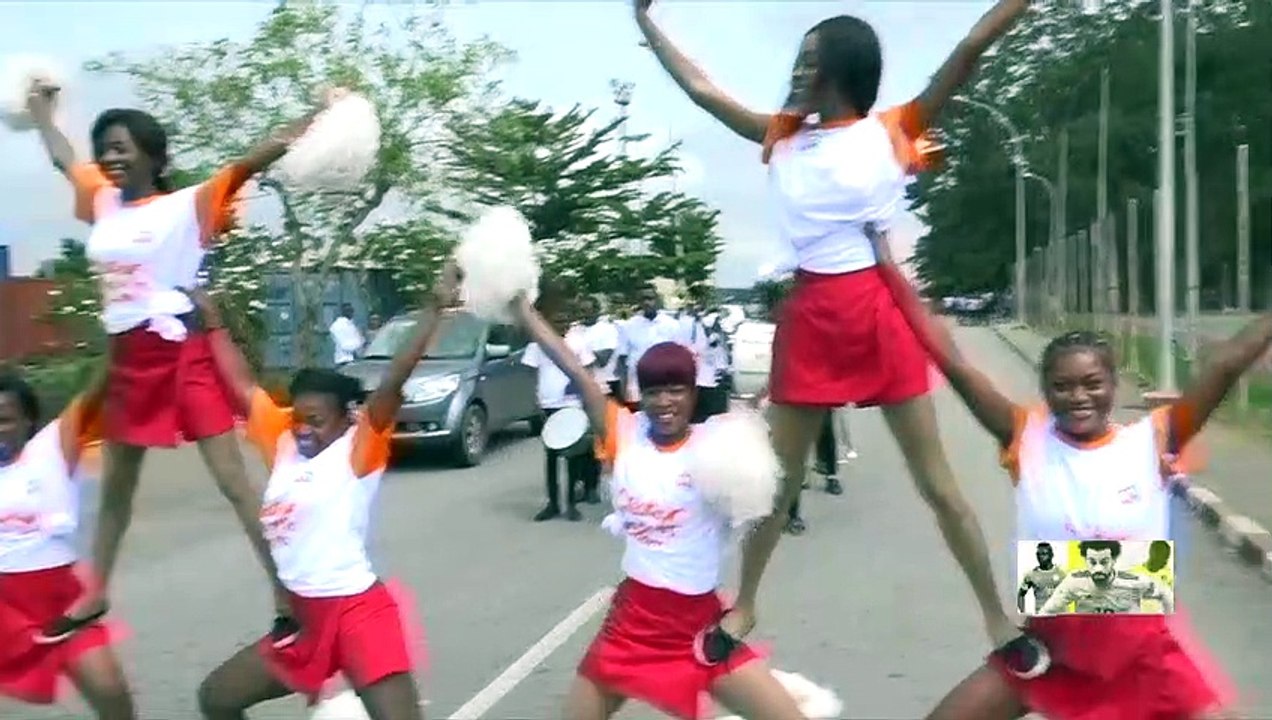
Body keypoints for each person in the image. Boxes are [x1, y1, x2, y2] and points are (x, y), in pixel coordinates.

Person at [633, 0, 1042, 672]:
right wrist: (648, 24)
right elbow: (703, 91)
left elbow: (969, 47)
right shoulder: (782, 137)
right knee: (778, 482)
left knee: (938, 484)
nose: (796, 73)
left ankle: (998, 621)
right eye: (797, 60)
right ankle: (745, 606)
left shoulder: (894, 129)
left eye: (809, 61)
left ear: (843, 71)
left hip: (878, 310)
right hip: (811, 315)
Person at [869, 231, 1251, 719]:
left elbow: (1227, 364)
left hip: (1142, 656)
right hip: (1052, 651)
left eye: (1092, 383)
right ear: (1045, 390)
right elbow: (951, 361)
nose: (1078, 397)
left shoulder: (1152, 439)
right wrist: (886, 266)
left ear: (1113, 384)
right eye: (1062, 386)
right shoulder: (1025, 437)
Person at [26, 79, 343, 645]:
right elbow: (63, 159)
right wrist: (41, 113)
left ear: (154, 157)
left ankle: (287, 595)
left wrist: (319, 113)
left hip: (181, 355)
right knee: (117, 489)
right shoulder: (102, 201)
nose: (110, 157)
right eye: (105, 148)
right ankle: (94, 595)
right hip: (127, 360)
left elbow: (253, 160)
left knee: (235, 483)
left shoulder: (189, 204)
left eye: (122, 147)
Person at [509, 292, 806, 720]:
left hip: (698, 630)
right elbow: (571, 366)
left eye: (675, 390)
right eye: (653, 392)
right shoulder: (623, 433)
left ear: (693, 392)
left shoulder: (721, 444)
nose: (664, 402)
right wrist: (523, 309)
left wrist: (746, 602)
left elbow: (773, 504)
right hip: (631, 625)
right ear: (641, 394)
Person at [191, 266, 457, 720]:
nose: (303, 429)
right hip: (305, 621)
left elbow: (394, 380)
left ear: (346, 418)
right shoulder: (284, 441)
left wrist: (434, 308)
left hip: (358, 614)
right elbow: (242, 385)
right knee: (216, 698)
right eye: (298, 417)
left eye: (316, 421)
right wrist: (212, 322)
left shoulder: (360, 447)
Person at [0, 371, 135, 719]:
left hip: (63, 606)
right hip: (4, 610)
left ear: (28, 421)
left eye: (5, 420)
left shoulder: (52, 448)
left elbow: (98, 390)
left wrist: (126, 340)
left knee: (110, 690)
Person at [523, 299, 597, 522]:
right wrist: (533, 403)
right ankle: (553, 504)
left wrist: (586, 398)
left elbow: (589, 370)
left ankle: (571, 504)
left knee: (573, 456)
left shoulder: (578, 342)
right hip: (549, 406)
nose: (562, 324)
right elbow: (530, 376)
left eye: (566, 320)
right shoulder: (537, 345)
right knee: (552, 457)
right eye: (557, 321)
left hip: (572, 405)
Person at [1036, 540, 1174, 616]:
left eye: (1104, 562)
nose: (1098, 569)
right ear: (1085, 560)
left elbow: (1165, 594)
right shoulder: (1074, 582)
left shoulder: (1133, 582)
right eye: (1092, 562)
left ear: (1114, 560)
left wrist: (1166, 626)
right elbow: (1046, 611)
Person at [576, 296, 621, 504]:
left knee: (603, 440)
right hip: (580, 389)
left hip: (605, 387)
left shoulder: (606, 329)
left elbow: (603, 358)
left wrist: (577, 355)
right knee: (582, 440)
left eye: (588, 309)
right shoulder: (575, 330)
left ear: (596, 310)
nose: (584, 314)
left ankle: (604, 485)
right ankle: (584, 484)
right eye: (581, 310)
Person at [617, 287, 682, 413]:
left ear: (657, 300)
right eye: (643, 299)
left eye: (650, 298)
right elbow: (622, 360)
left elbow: (679, 357)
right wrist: (623, 390)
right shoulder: (629, 326)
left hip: (664, 383)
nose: (647, 302)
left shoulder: (672, 325)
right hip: (637, 386)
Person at [1016, 542, 1065, 615]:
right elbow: (1021, 594)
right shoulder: (1031, 575)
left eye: (1044, 554)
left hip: (1059, 616)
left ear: (1051, 555)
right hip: (1041, 615)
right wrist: (1023, 613)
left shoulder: (1061, 574)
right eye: (1038, 554)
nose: (1041, 557)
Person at [1133, 540, 1174, 614]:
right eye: (1161, 557)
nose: (1165, 561)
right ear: (1151, 553)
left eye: (1166, 558)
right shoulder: (1135, 573)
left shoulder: (1169, 575)